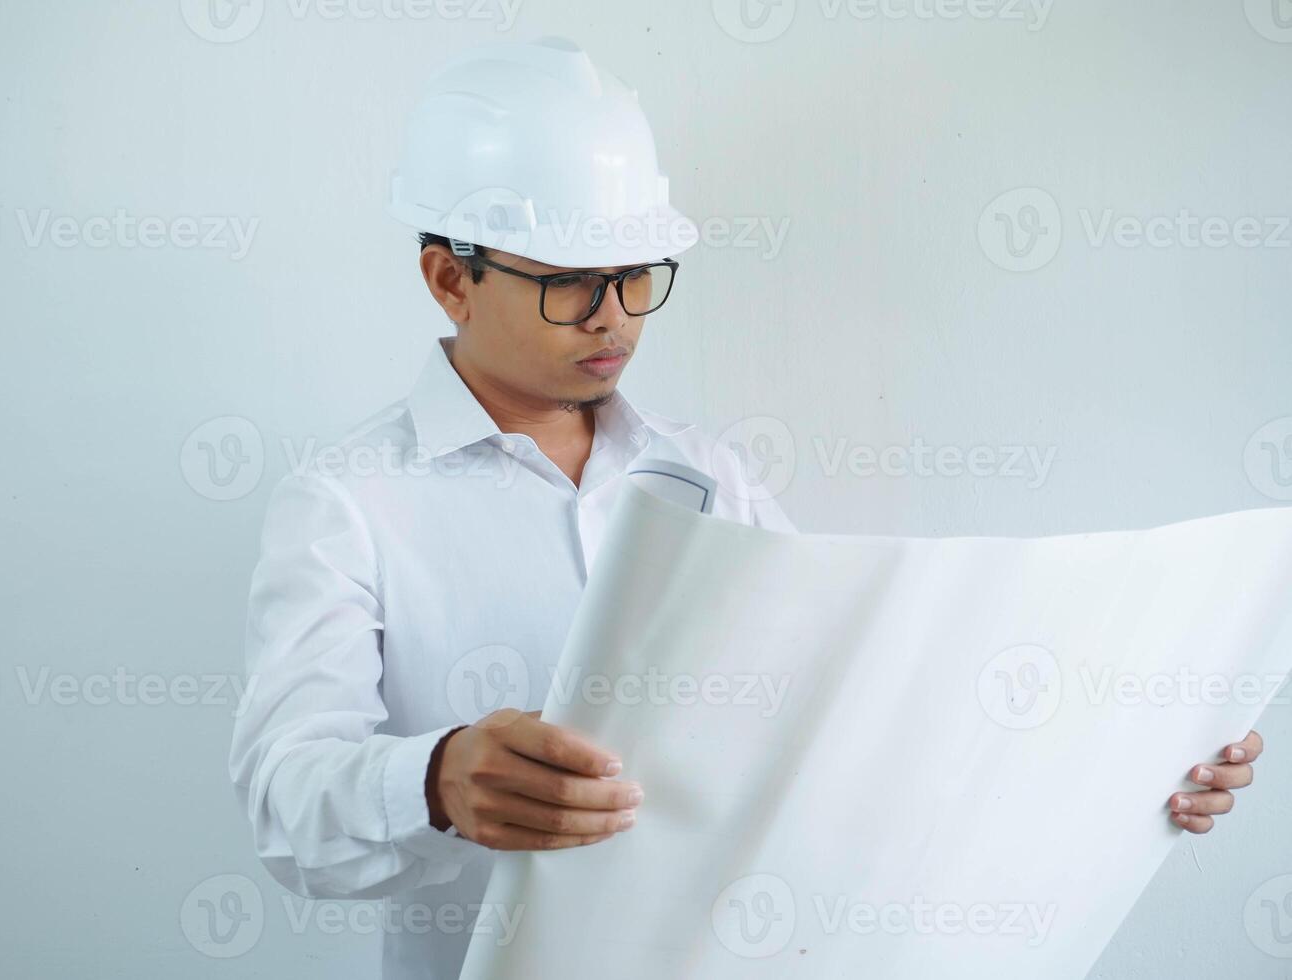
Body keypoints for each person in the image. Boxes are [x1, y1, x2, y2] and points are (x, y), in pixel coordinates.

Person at [228, 36, 1263, 980]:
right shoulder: (346, 504)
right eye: (572, 284)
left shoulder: (712, 477)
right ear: (450, 279)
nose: (617, 320)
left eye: (639, 276)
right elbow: (285, 796)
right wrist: (437, 778)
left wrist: (1125, 765)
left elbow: (853, 719)